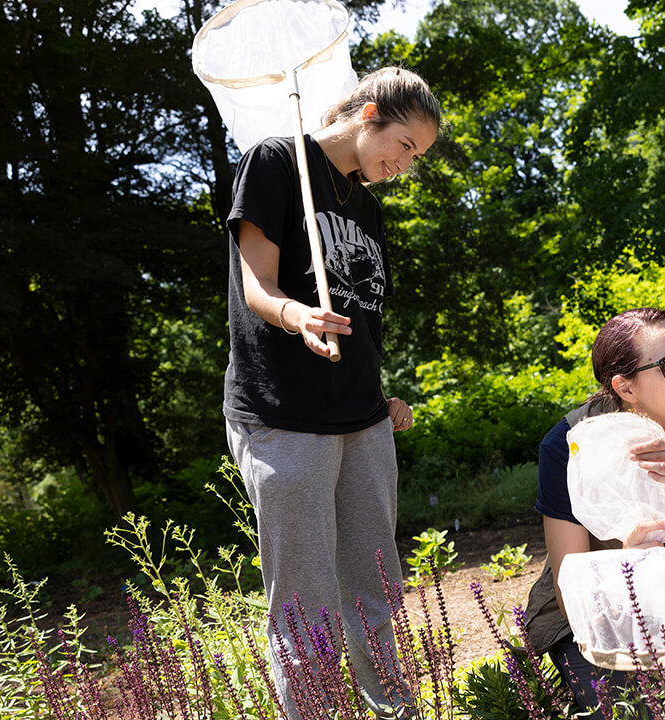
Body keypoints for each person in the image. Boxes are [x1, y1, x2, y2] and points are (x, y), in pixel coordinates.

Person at [222, 67, 440, 717]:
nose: (404, 165)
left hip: (363, 419)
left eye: (416, 157)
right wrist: (299, 316)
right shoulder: (274, 162)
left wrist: (380, 394)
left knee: (377, 587)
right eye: (404, 145)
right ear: (369, 114)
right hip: (283, 416)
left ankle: (393, 710)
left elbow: (363, 317)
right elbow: (256, 287)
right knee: (305, 603)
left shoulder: (367, 208)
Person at [523, 308, 665, 716]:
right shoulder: (567, 444)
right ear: (624, 387)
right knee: (640, 711)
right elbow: (570, 589)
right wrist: (628, 566)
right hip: (600, 616)